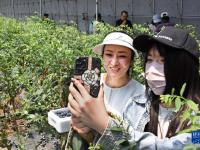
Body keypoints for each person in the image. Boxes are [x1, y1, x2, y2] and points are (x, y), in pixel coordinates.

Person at [68, 27, 200, 149]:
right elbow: (122, 143)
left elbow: (170, 146)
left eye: (163, 61)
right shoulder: (145, 105)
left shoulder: (196, 119)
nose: (151, 70)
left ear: (186, 67)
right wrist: (88, 131)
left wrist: (105, 125)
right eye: (149, 60)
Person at [68, 31, 148, 146]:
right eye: (109, 55)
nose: (114, 62)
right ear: (102, 57)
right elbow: (90, 141)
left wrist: (103, 124)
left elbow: (131, 145)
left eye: (122, 56)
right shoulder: (89, 84)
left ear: (131, 61)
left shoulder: (142, 96)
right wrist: (83, 131)